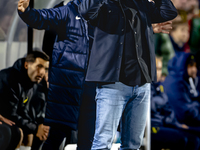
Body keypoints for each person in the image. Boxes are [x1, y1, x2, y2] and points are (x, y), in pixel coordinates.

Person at [78, 0, 177, 149]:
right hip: (113, 84)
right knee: (103, 143)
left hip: (141, 85)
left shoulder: (142, 4)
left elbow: (169, 12)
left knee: (133, 145)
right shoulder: (104, 4)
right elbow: (86, 11)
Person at [0, 50, 50, 150]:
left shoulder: (30, 84)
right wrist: (36, 128)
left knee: (30, 135)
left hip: (8, 117)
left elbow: (23, 109)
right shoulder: (10, 79)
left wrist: (38, 126)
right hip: (3, 118)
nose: (42, 72)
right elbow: (11, 114)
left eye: (45, 68)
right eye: (39, 66)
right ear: (26, 65)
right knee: (18, 133)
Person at [151, 57, 200, 150]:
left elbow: (168, 110)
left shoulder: (159, 88)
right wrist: (161, 100)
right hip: (153, 127)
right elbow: (152, 107)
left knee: (194, 140)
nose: (157, 72)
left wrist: (177, 124)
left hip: (165, 124)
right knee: (183, 140)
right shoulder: (144, 87)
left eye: (159, 69)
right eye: (155, 69)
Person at [163, 53, 200, 126]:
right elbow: (186, 114)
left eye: (195, 66)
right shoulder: (176, 84)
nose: (194, 69)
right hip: (176, 124)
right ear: (182, 66)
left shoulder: (182, 80)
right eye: (191, 66)